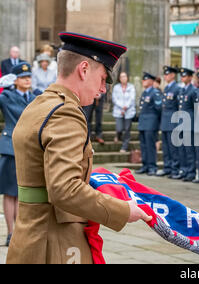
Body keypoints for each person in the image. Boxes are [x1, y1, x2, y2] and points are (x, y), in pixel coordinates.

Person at [7, 32, 151, 264]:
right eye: (103, 78)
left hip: (30, 237)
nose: (103, 89)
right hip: (56, 243)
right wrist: (123, 210)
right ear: (84, 70)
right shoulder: (66, 112)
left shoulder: (39, 104)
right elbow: (64, 189)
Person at [0, 63, 36, 246]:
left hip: (30, 149)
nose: (27, 79)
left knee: (25, 192)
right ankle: (10, 233)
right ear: (15, 80)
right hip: (10, 148)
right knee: (9, 193)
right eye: (23, 77)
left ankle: (22, 232)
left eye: (29, 76)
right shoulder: (6, 96)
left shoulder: (37, 96)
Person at [157, 66, 181, 179]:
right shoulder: (166, 88)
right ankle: (167, 167)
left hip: (173, 121)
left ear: (172, 75)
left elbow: (178, 108)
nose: (165, 76)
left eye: (167, 74)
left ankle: (175, 169)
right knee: (166, 147)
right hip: (165, 121)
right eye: (165, 74)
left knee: (173, 148)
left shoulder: (177, 88)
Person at [136, 72, 162, 176]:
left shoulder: (155, 93)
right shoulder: (144, 93)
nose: (144, 81)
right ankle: (145, 165)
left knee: (150, 146)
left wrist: (157, 122)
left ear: (151, 81)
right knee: (143, 145)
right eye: (143, 80)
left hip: (151, 123)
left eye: (146, 80)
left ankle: (152, 167)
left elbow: (159, 108)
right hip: (143, 122)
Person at [176, 68, 197, 181]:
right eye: (182, 76)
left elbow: (196, 108)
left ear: (190, 77)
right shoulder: (181, 90)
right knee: (182, 149)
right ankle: (183, 170)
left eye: (185, 76)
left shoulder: (193, 90)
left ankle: (191, 172)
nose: (183, 78)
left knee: (189, 150)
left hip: (189, 123)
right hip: (181, 122)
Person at [112, 71, 136, 153]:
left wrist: (126, 107)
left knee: (127, 129)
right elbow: (114, 99)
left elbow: (132, 99)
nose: (123, 78)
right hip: (119, 110)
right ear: (119, 79)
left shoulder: (131, 87)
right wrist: (122, 107)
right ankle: (118, 135)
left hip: (129, 111)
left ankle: (124, 147)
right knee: (119, 128)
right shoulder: (116, 87)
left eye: (125, 76)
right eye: (122, 77)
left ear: (127, 78)